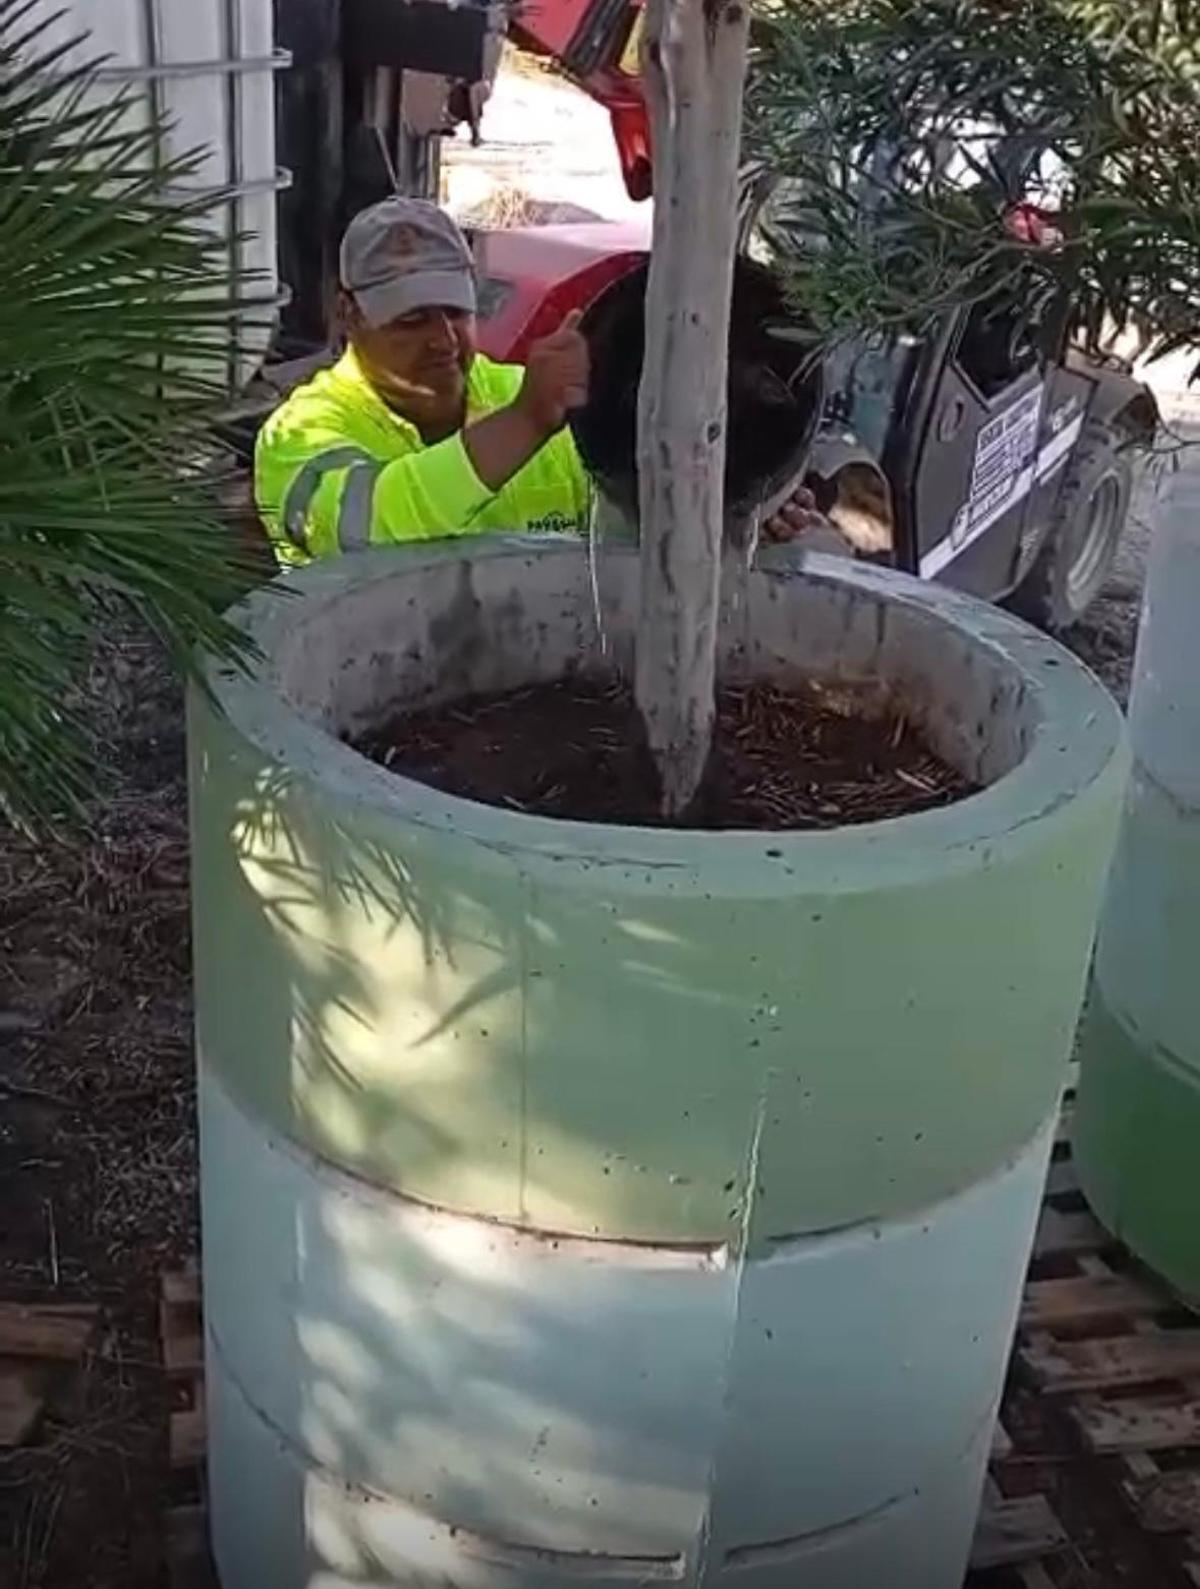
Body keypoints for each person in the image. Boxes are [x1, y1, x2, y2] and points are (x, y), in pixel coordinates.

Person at [255, 197, 829, 564]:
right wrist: (526, 421)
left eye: (455, 311)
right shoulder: (298, 435)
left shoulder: (538, 403)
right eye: (409, 320)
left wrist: (747, 512)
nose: (442, 340)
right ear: (347, 313)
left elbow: (641, 517)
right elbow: (364, 529)